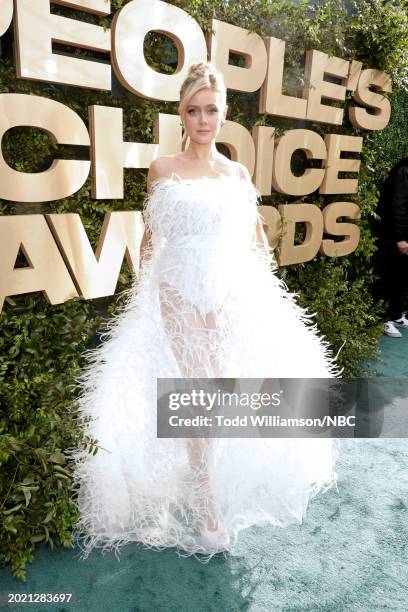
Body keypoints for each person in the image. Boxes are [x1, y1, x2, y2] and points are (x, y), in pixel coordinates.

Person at [66, 62, 340, 561]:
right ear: (182, 115)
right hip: (175, 286)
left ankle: (205, 470)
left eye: (211, 110)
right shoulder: (162, 169)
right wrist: (141, 295)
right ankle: (205, 499)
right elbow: (153, 234)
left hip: (227, 287)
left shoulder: (236, 173)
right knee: (198, 385)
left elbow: (255, 237)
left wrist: (262, 286)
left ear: (223, 113)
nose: (203, 119)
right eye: (193, 111)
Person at [375, 157, 408, 337]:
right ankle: (382, 320)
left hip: (404, 236)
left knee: (402, 277)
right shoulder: (403, 171)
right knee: (390, 277)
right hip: (396, 238)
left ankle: (395, 315)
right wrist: (400, 238)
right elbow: (397, 206)